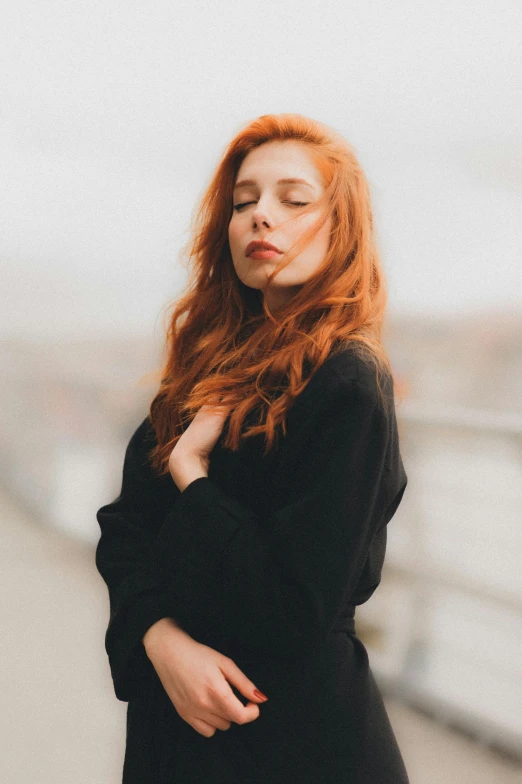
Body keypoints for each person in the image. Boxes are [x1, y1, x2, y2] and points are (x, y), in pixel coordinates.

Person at [95, 112, 410, 783]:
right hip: (176, 741)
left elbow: (292, 605)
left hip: (290, 744)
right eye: (244, 202)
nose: (261, 216)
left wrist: (192, 476)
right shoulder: (204, 373)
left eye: (293, 200)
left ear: (341, 226)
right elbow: (124, 533)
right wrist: (161, 641)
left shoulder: (348, 382)